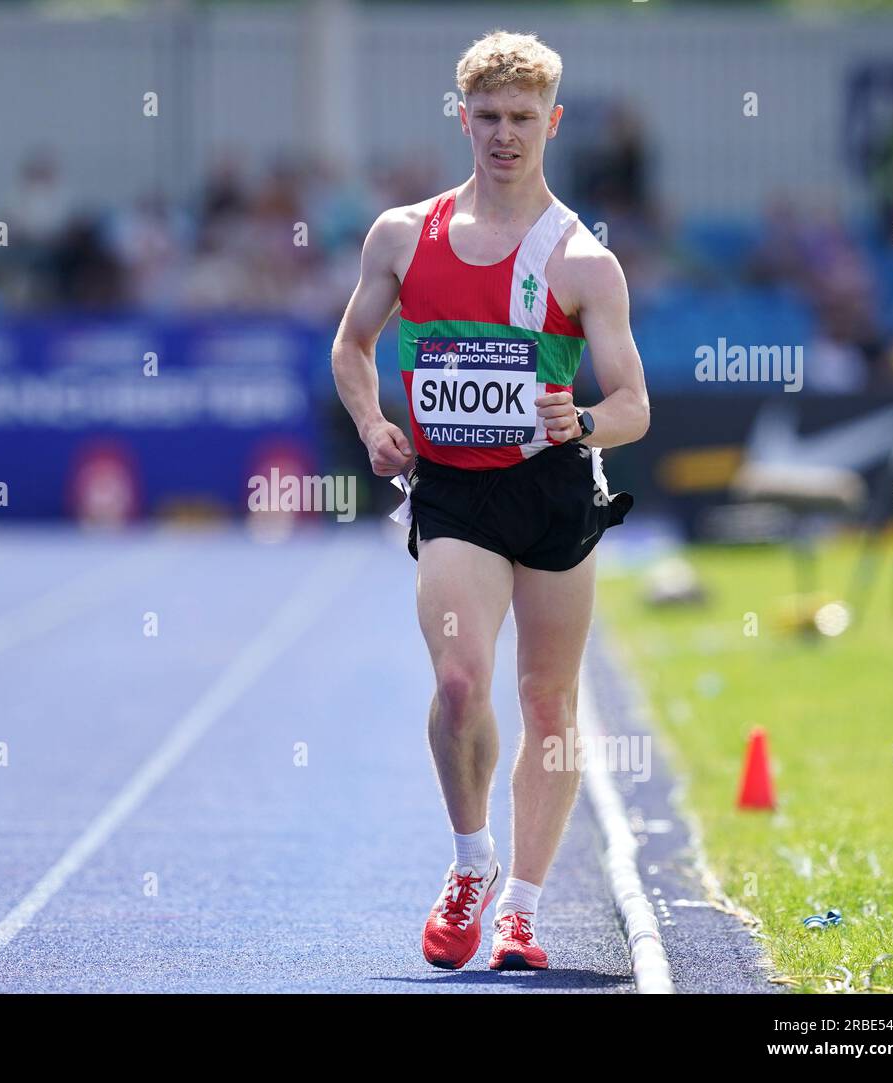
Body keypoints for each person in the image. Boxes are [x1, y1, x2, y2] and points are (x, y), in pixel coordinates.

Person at [331, 31, 649, 971]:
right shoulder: (403, 234)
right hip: (455, 491)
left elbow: (633, 405)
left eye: (522, 119)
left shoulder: (583, 260)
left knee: (549, 701)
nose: (504, 136)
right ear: (461, 118)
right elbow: (352, 346)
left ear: (550, 122)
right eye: (487, 118)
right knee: (462, 681)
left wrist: (580, 422)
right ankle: (471, 863)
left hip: (552, 492)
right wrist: (371, 421)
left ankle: (524, 908)